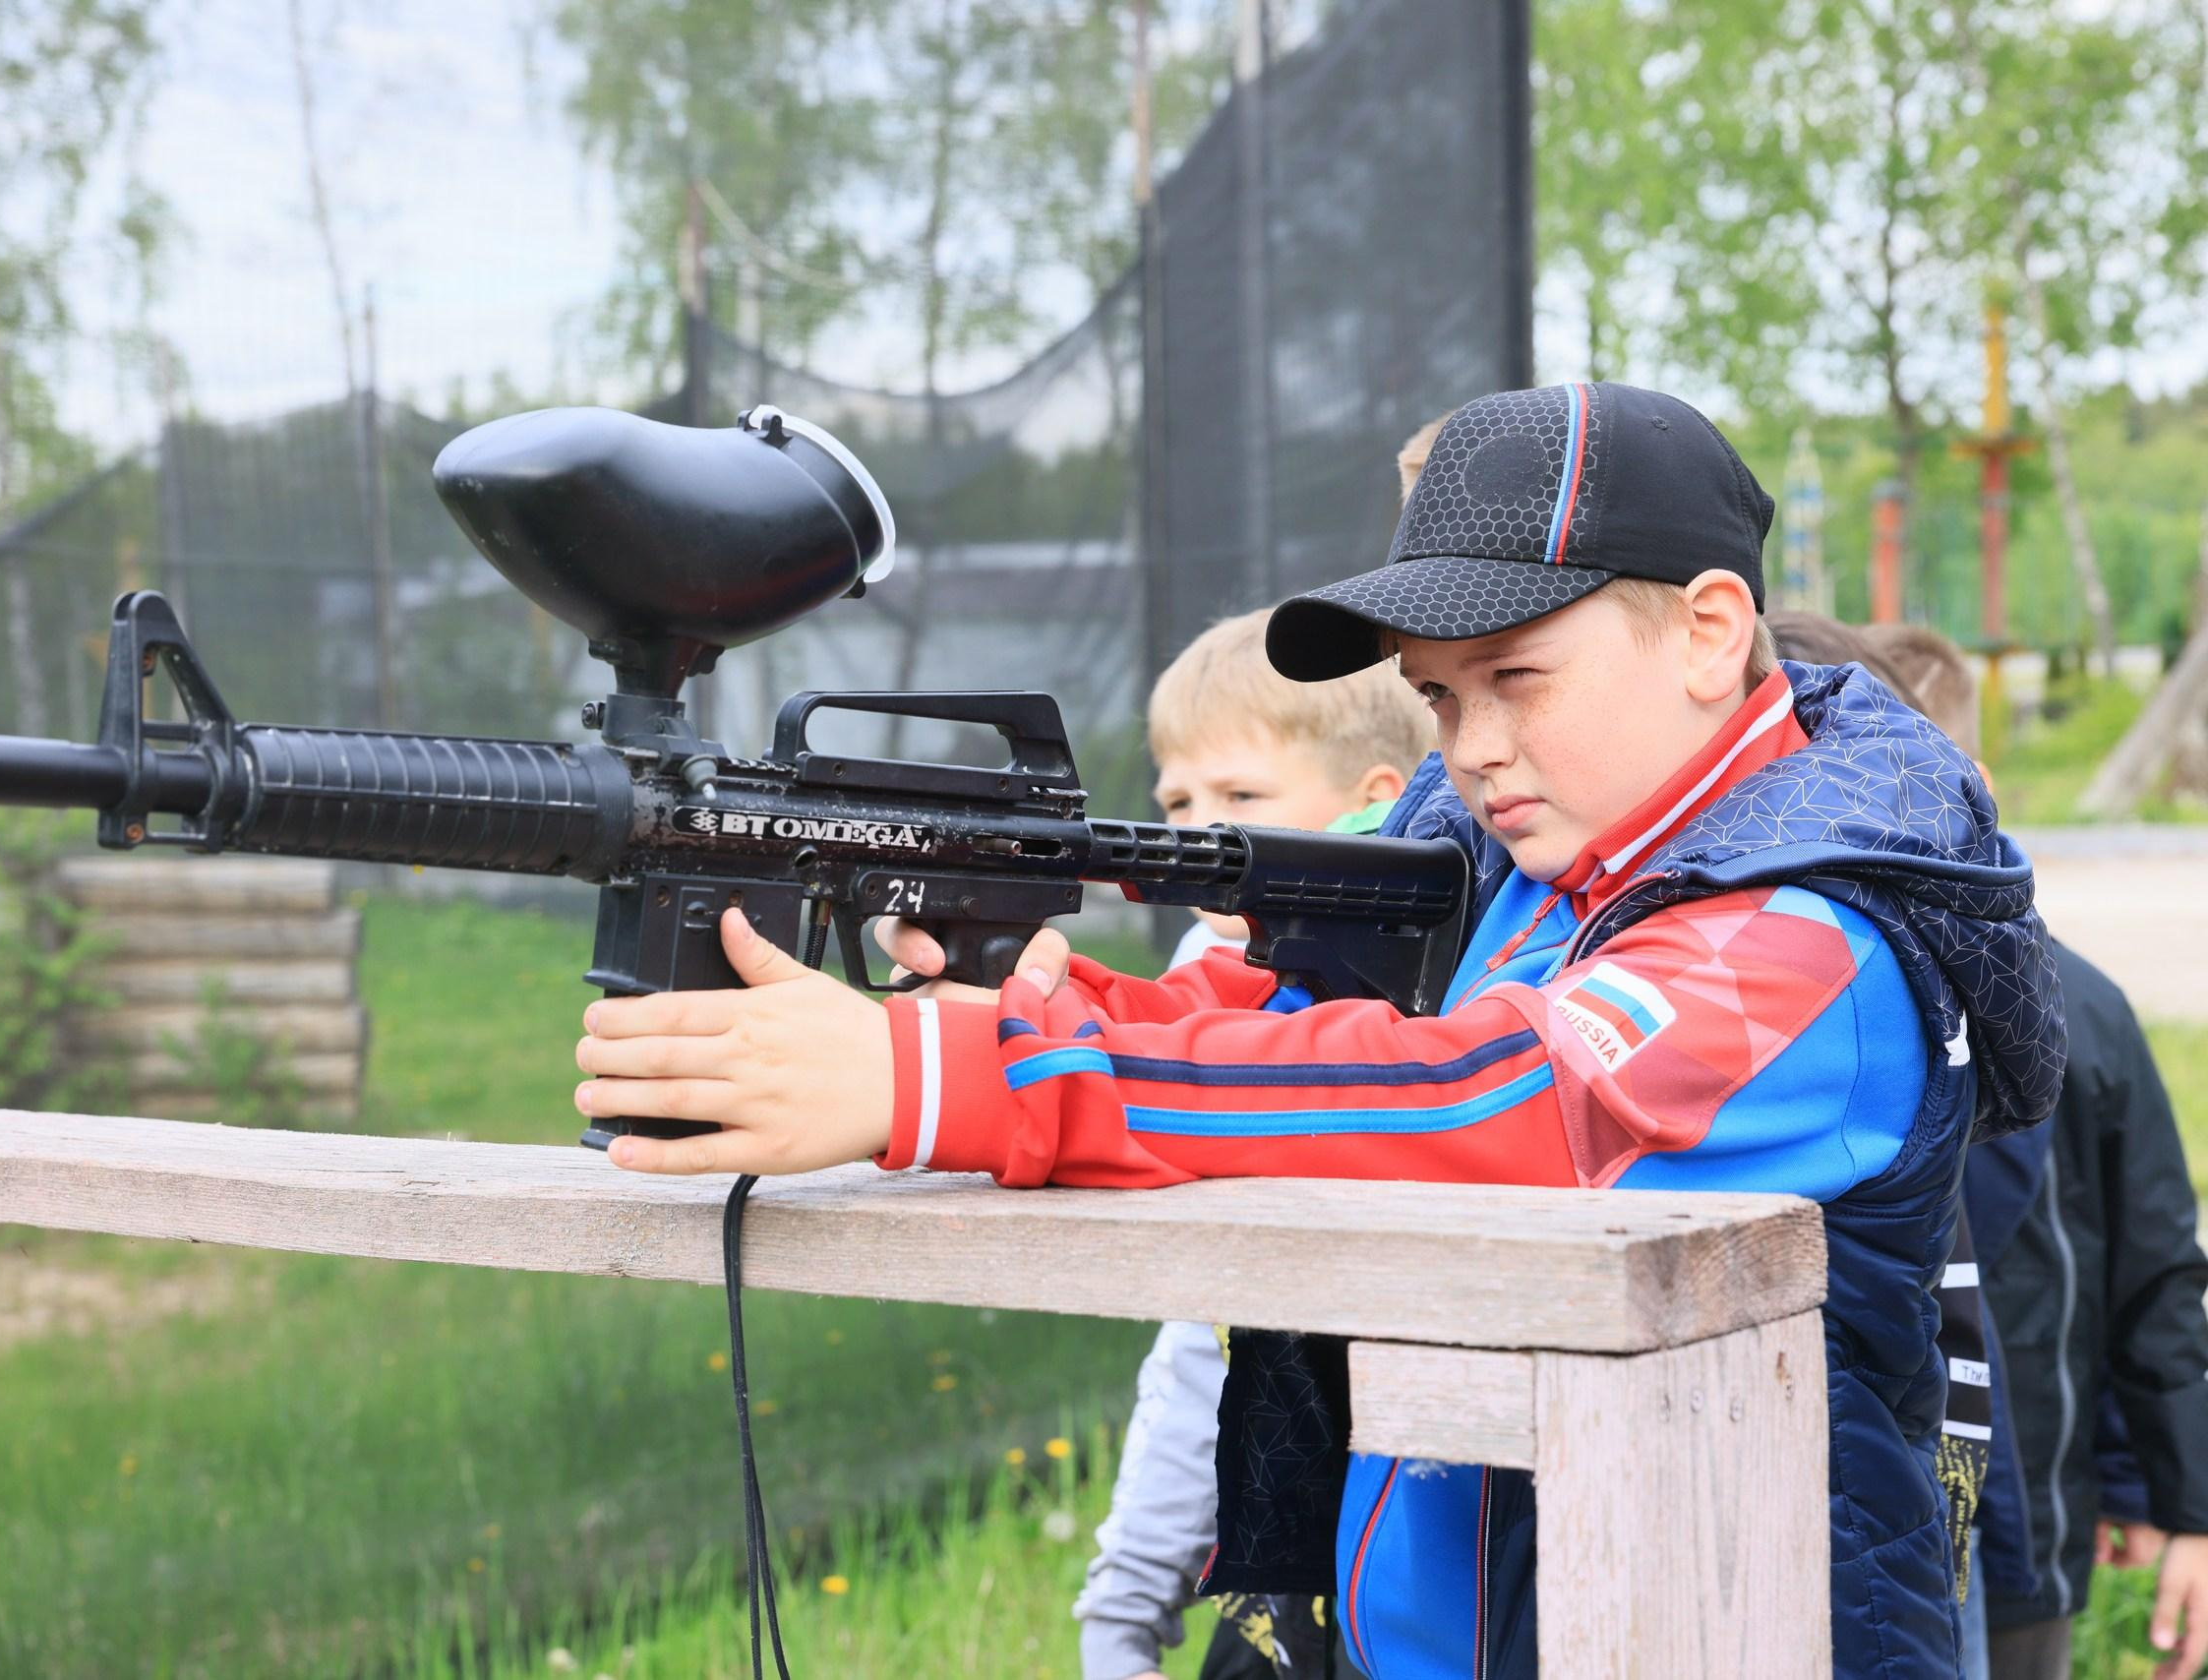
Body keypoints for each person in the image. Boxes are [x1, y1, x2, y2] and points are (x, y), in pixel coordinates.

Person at [572, 384, 2067, 1678]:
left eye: (1518, 679)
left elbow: (1491, 1097)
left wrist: (948, 1079)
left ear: (1708, 631)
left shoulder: (1813, 939)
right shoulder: (1526, 857)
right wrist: (1012, 1010)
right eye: (1439, 699)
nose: (1474, 750)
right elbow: (1261, 1022)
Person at [1081, 507, 1438, 1680]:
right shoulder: (1202, 975)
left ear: (1376, 801)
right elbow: (1200, 1338)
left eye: (1238, 797)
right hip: (1283, 1524)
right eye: (1177, 803)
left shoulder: (1432, 979)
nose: (1195, 833)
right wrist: (1129, 1590)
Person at [1864, 624, 2208, 1680]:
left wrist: (2171, 1495)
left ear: (1972, 781)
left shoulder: (2081, 1008)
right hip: (1880, 1519)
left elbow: (2148, 1264)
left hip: (2024, 1527)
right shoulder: (1830, 1000)